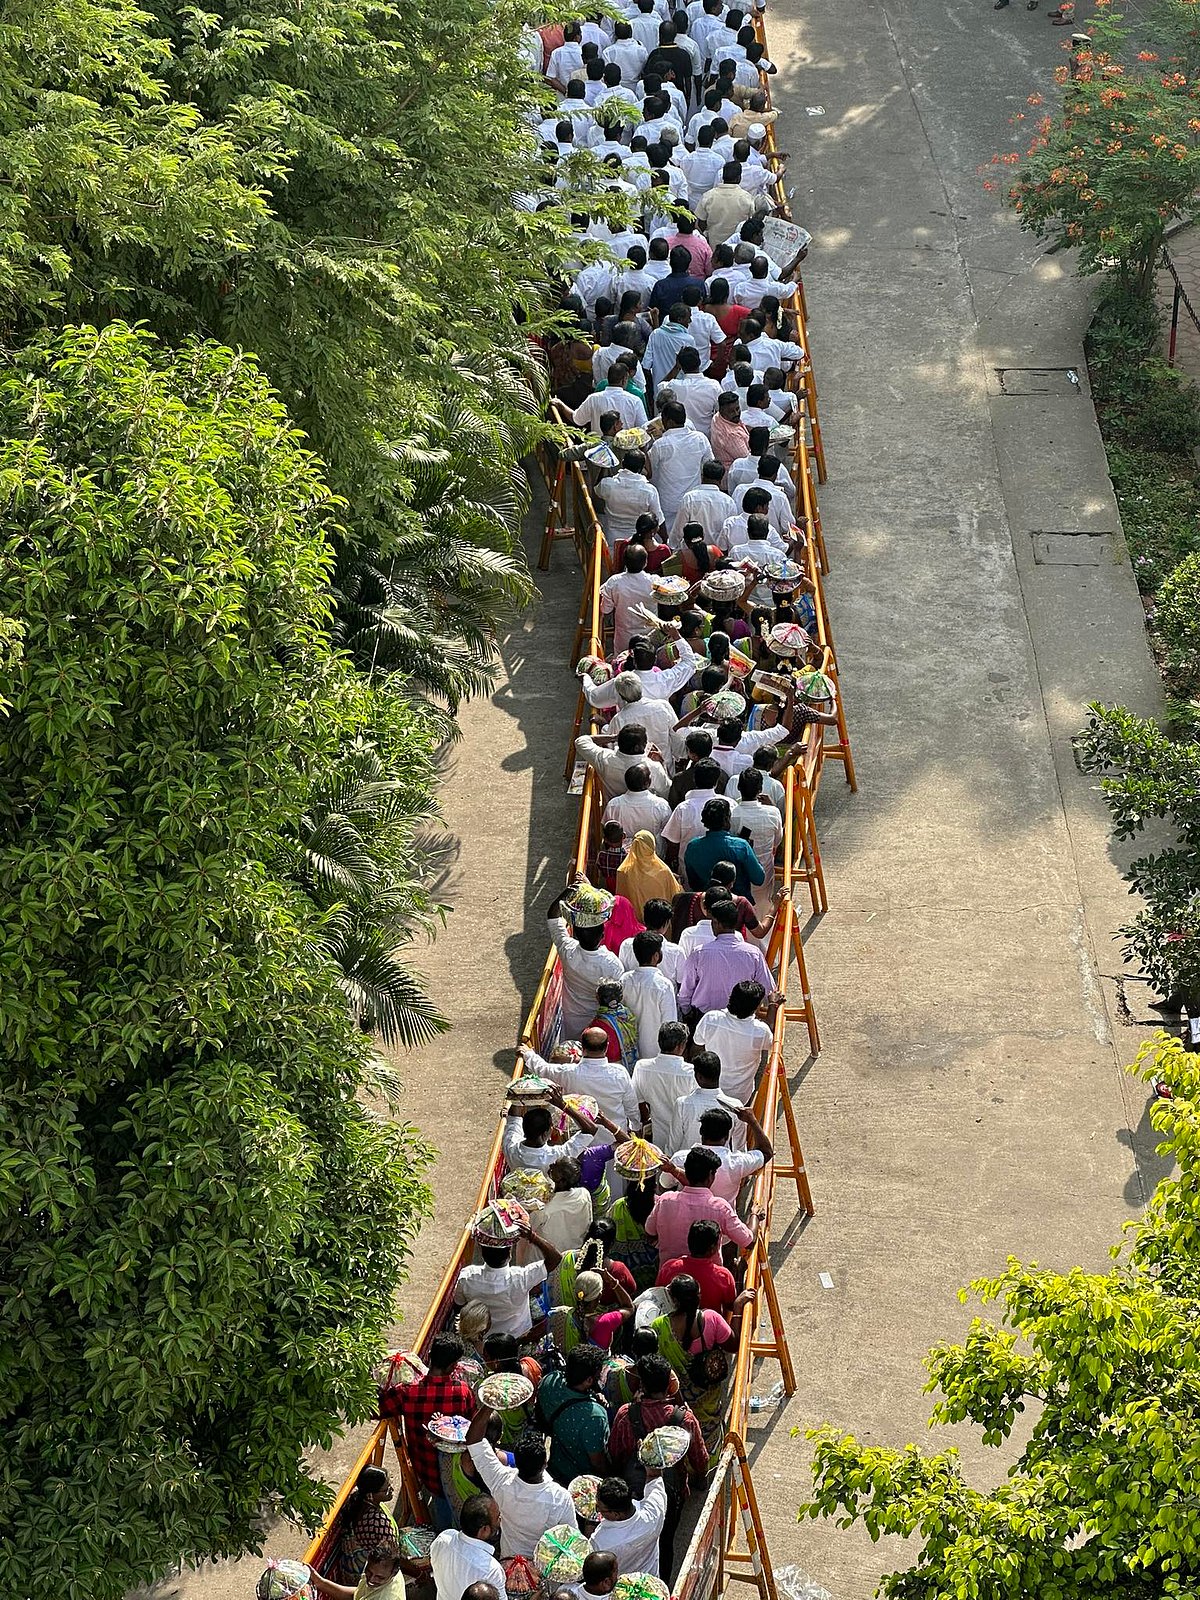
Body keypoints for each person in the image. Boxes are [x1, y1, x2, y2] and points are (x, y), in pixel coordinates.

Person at [608, 1355, 709, 1575]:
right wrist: (700, 1480)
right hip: (672, 1493)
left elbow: (615, 1454)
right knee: (665, 1542)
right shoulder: (685, 1420)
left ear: (642, 1384)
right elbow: (700, 1459)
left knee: (633, 1539)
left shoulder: (626, 1415)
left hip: (632, 1489)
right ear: (669, 1384)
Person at [464, 1410, 579, 1558]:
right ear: (545, 1463)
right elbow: (571, 1540)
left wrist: (488, 1405)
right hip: (542, 1568)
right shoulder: (560, 1498)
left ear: (516, 1461)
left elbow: (473, 1440)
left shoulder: (500, 1480)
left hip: (510, 1560)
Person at [394, 1333, 478, 1530]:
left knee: (443, 1524)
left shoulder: (408, 1392)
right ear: (453, 1366)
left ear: (430, 1355)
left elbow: (375, 1408)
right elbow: (473, 1428)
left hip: (426, 1473)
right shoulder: (462, 1391)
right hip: (456, 1472)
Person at [649, 1275, 733, 1451]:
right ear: (698, 1296)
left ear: (673, 1299)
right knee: (709, 1441)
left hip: (677, 1404)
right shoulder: (711, 1319)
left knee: (681, 1444)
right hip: (708, 1402)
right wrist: (738, 1309)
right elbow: (733, 1345)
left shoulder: (658, 1326)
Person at [522, 1029, 640, 1142]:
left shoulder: (568, 1073)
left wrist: (528, 1054)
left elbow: (543, 1069)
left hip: (580, 1143)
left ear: (582, 1048)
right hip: (614, 1140)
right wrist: (636, 1128)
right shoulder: (620, 1073)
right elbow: (631, 1107)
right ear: (607, 1046)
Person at [645, 1147, 755, 1263]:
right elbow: (748, 1242)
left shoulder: (665, 1201)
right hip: (708, 1279)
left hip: (670, 1276)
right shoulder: (720, 1208)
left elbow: (650, 1233)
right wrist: (754, 1215)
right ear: (711, 1176)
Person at [454, 1223, 562, 1340]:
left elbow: (459, 1305)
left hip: (483, 1339)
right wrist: (532, 1237)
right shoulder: (521, 1278)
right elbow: (556, 1258)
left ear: (482, 1254)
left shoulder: (466, 1277)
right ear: (510, 1254)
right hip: (519, 1337)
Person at [546, 882, 627, 1037]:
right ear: (602, 936)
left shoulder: (567, 950)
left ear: (575, 933)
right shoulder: (612, 963)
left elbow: (552, 916)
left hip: (571, 1020)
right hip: (602, 1025)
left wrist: (567, 893)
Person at [678, 899, 776, 1017]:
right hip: (740, 1020)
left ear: (717, 923)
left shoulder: (699, 953)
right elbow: (769, 989)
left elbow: (686, 990)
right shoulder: (753, 954)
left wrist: (687, 1012)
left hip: (703, 1018)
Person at [665, 1103, 773, 1202]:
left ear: (701, 1132)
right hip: (724, 1221)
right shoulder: (738, 1162)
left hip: (684, 1219)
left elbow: (664, 1184)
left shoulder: (679, 1159)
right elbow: (766, 1152)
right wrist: (752, 1121)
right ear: (727, 1137)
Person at [537, 1342, 613, 1483]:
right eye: (599, 1373)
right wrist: (610, 1477)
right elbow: (597, 1462)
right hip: (581, 1481)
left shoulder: (550, 1380)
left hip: (555, 1466)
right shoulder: (595, 1416)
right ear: (589, 1380)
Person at [692, 979, 774, 1104]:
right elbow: (768, 1037)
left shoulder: (711, 1018)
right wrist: (773, 1005)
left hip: (707, 1091)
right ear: (757, 1007)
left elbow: (696, 1048)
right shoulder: (759, 1031)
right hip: (740, 1096)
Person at [682, 796, 765, 900]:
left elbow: (693, 883)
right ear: (727, 819)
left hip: (706, 905)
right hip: (738, 907)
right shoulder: (741, 846)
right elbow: (759, 879)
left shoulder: (692, 847)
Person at [647, 399, 715, 526]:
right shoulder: (700, 439)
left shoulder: (661, 445)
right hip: (693, 500)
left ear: (668, 421)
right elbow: (710, 464)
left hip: (668, 502)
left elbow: (649, 470)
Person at [502, 1086, 599, 1173]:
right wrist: (562, 1105)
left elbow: (514, 1117)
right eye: (551, 1126)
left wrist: (521, 1090)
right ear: (545, 1134)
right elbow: (591, 1129)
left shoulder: (510, 1144)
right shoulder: (557, 1156)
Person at [630, 1020, 694, 1151]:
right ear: (680, 1046)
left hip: (658, 1137)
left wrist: (644, 1122)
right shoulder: (691, 1072)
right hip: (686, 1138)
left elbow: (638, 1101)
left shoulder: (642, 1067)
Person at [429, 1495, 508, 1600]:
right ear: (484, 1530)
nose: (500, 1520)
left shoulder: (443, 1538)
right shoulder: (490, 1569)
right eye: (498, 1518)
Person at [655, 1218, 738, 1314]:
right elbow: (730, 1305)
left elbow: (658, 1295)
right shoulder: (723, 1276)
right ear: (712, 1248)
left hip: (671, 1326)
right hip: (709, 1327)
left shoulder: (669, 1267)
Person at [728, 767, 783, 913]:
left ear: (739, 787)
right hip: (765, 871)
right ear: (760, 789)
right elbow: (777, 841)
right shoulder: (773, 812)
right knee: (763, 910)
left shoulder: (733, 814)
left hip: (740, 875)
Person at [591, 1474, 669, 1576]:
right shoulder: (652, 1513)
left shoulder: (600, 1540)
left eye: (599, 1508)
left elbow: (591, 1564)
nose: (597, 1510)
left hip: (622, 1589)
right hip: (651, 1580)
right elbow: (654, 1476)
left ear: (616, 1514)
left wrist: (589, 1524)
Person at [333, 1466, 401, 1582]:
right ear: (370, 1495)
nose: (392, 1490)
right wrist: (419, 1574)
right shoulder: (379, 1523)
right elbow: (393, 1556)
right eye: (386, 1489)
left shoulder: (356, 1499)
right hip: (371, 1571)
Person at [621, 931, 680, 1059]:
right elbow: (669, 1024)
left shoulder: (624, 980)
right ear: (656, 956)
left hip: (629, 1050)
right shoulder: (664, 985)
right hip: (655, 1053)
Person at [672, 1051, 744, 1150]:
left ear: (698, 1077)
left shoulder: (682, 1104)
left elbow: (674, 1143)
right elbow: (740, 1149)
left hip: (687, 1163)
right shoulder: (736, 1106)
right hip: (721, 1164)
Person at [594, 452, 664, 547]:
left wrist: (603, 467)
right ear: (642, 468)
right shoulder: (649, 491)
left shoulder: (608, 485)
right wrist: (666, 540)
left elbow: (597, 488)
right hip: (639, 541)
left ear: (622, 463)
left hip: (612, 539)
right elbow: (658, 518)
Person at [599, 545, 656, 656]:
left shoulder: (614, 582)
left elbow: (605, 609)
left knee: (622, 663)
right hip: (649, 635)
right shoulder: (654, 582)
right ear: (645, 562)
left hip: (624, 637)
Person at [607, 1175, 660, 1290]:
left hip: (625, 1273)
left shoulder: (618, 1206)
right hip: (653, 1270)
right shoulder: (659, 1204)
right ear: (654, 1185)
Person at [311, 1547, 420, 1600]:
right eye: (368, 1572)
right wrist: (320, 1582)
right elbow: (359, 1593)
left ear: (394, 1574)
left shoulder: (384, 1598)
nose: (371, 1580)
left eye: (379, 1577)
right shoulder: (386, 1570)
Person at [616, 832, 682, 919]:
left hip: (634, 925)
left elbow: (620, 901)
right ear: (652, 846)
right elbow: (676, 895)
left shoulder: (623, 872)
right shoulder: (663, 871)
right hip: (659, 922)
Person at [602, 764, 671, 847]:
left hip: (623, 856)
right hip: (654, 854)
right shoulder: (661, 805)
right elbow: (668, 832)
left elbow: (607, 830)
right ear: (648, 783)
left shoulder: (613, 805)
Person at [540, 1157, 596, 1254]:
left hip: (550, 1254)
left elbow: (531, 1225)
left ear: (562, 1181)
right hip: (574, 1250)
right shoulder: (583, 1193)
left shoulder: (545, 1207)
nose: (550, 1166)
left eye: (554, 1168)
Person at [590, 978, 641, 1072]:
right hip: (631, 1058)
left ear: (598, 998)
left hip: (613, 1065)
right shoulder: (626, 1013)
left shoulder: (599, 1024)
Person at [596, 819, 629, 893]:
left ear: (605, 840)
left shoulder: (601, 855)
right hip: (625, 887)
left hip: (610, 889)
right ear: (624, 836)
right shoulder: (628, 857)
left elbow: (600, 868)